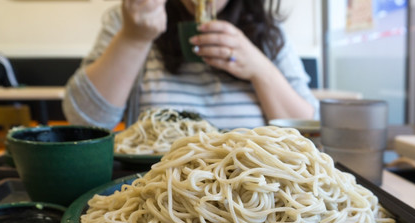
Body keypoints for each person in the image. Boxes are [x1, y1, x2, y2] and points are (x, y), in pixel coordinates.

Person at [63, 0, 318, 130]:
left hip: (256, 191)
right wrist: (133, 37)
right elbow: (85, 121)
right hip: (158, 188)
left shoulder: (268, 29)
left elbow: (309, 130)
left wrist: (261, 70)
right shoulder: (130, 19)